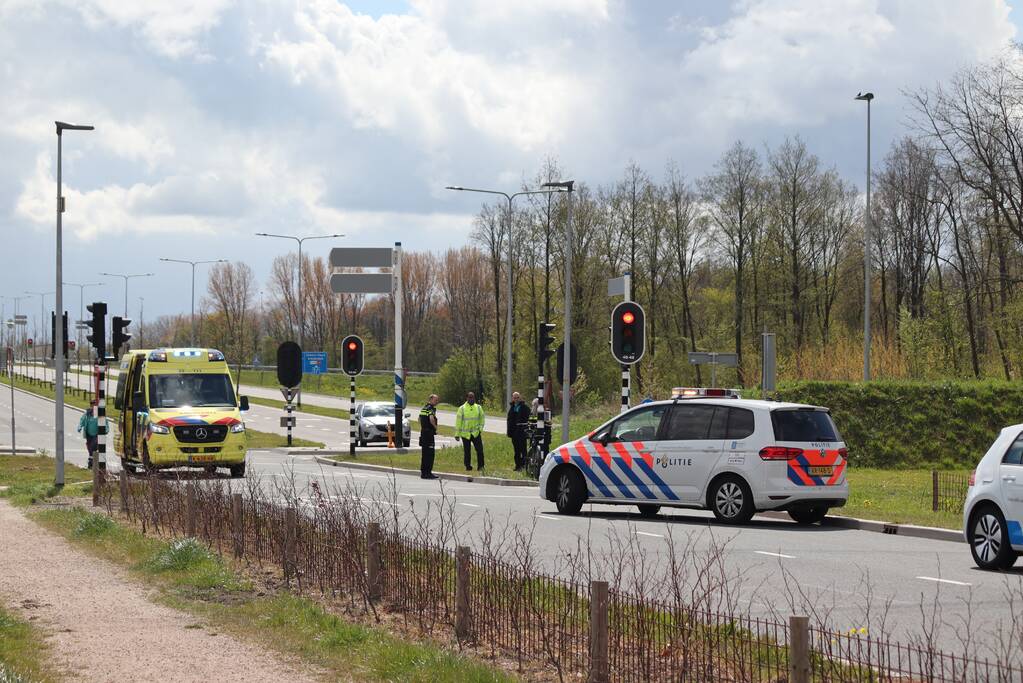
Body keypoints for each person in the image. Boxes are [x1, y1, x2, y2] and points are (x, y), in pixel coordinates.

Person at [454, 391, 485, 471]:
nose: (472, 399)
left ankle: (481, 467)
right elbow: (458, 422)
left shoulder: (478, 407)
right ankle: (468, 466)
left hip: (476, 433)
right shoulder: (462, 408)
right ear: (467, 398)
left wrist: (480, 429)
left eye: (473, 397)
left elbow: (482, 419)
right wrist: (457, 434)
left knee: (480, 450)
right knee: (467, 451)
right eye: (470, 397)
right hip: (465, 434)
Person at [506, 391, 530, 471]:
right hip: (514, 433)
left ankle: (524, 466)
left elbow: (528, 418)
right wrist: (509, 432)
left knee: (523, 450)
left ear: (520, 398)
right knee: (516, 450)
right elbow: (509, 420)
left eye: (517, 397)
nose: (516, 399)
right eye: (514, 398)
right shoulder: (512, 407)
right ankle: (517, 466)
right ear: (513, 398)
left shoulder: (524, 407)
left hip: (522, 432)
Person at [418, 394, 440, 479]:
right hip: (429, 434)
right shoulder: (431, 409)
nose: (437, 402)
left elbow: (419, 419)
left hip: (423, 432)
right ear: (430, 399)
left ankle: (423, 473)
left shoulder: (424, 408)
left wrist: (424, 427)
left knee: (424, 453)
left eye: (437, 400)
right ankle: (428, 473)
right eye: (435, 400)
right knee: (430, 454)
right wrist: (435, 427)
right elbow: (431, 419)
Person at [78, 401, 99, 469]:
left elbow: (105, 421)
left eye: (95, 406)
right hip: (88, 434)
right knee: (90, 448)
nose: (93, 407)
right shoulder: (87, 414)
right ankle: (91, 461)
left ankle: (91, 462)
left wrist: (106, 429)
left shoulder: (99, 413)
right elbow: (82, 420)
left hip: (96, 434)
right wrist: (80, 426)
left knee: (93, 447)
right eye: (92, 406)